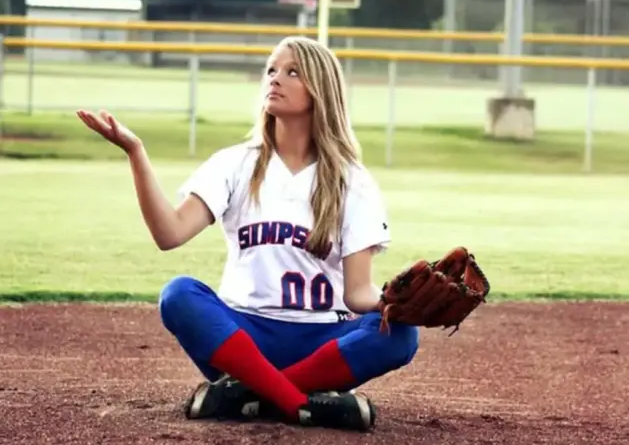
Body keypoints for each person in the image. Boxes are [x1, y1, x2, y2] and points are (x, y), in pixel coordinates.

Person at [76, 36, 419, 432]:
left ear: (321, 90)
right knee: (179, 294)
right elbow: (168, 234)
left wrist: (396, 301)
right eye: (271, 70)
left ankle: (246, 394)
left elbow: (357, 294)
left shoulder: (351, 181)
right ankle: (299, 402)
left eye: (293, 72)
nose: (275, 79)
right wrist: (136, 152)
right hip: (244, 336)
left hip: (322, 341)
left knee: (400, 336)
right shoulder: (235, 165)